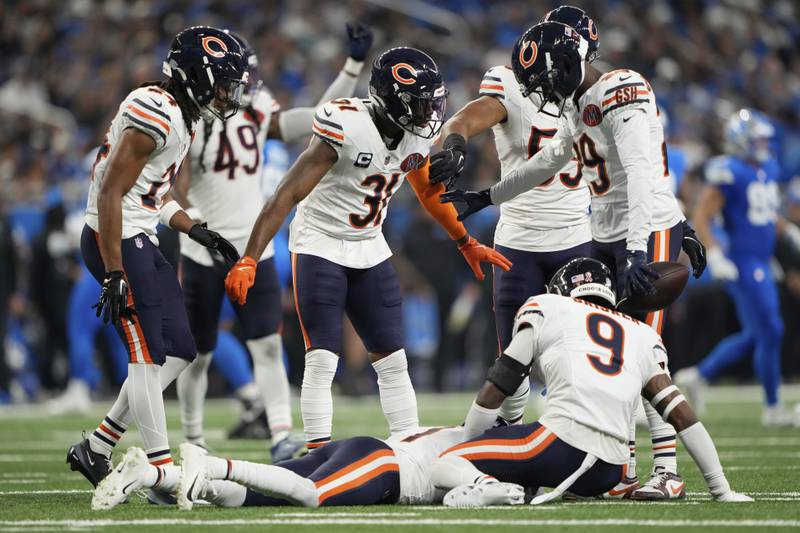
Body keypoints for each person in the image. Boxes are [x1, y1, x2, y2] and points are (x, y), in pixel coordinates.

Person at [439, 21, 708, 500]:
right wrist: (487, 197)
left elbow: (645, 174)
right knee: (620, 358)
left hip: (640, 232)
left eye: (546, 78)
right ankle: (624, 469)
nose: (543, 91)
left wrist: (640, 245)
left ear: (569, 63)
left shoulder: (622, 89)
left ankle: (667, 470)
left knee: (646, 355)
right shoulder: (581, 101)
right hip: (605, 232)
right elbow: (552, 160)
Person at [224, 47, 511, 451]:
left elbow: (427, 191)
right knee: (323, 358)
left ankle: (410, 450)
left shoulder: (416, 133)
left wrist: (466, 241)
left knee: (393, 360)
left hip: (370, 246)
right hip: (320, 242)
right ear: (391, 99)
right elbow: (287, 193)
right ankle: (318, 456)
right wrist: (250, 257)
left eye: (433, 101)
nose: (429, 112)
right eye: (420, 102)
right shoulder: (346, 125)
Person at [171, 24, 374, 462]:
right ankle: (194, 438)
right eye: (232, 79)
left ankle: (281, 434)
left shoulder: (257, 109)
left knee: (265, 344)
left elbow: (321, 115)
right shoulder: (193, 119)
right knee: (198, 353)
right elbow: (179, 184)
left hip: (253, 249)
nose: (242, 87)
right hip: (202, 249)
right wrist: (194, 223)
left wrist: (353, 67)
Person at [67, 27, 245, 504]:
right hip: (116, 238)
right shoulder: (157, 112)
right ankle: (162, 473)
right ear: (196, 77)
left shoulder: (178, 114)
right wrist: (114, 271)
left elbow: (149, 189)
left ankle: (97, 445)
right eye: (223, 83)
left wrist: (191, 227)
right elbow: (110, 192)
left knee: (182, 350)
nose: (228, 94)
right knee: (145, 355)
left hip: (138, 234)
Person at [430, 258, 751, 506]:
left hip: (558, 444)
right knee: (523, 464)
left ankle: (487, 489)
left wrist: (467, 443)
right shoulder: (641, 333)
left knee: (447, 462)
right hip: (607, 471)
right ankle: (518, 483)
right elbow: (682, 415)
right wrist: (721, 490)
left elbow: (500, 382)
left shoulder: (548, 306)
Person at [428, 5, 593, 432]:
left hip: (577, 235)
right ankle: (506, 443)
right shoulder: (511, 82)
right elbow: (464, 118)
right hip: (519, 238)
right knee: (511, 366)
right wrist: (457, 143)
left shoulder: (596, 90)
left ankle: (584, 444)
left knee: (579, 359)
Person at [675, 109, 797, 426]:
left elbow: (765, 211)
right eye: (756, 139)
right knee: (770, 330)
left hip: (762, 259)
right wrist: (714, 254)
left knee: (760, 333)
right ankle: (772, 408)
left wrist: (788, 231)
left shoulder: (766, 168)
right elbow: (702, 215)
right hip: (742, 262)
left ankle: (699, 375)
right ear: (740, 140)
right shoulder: (728, 171)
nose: (763, 145)